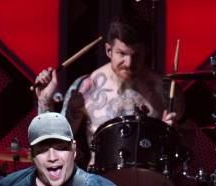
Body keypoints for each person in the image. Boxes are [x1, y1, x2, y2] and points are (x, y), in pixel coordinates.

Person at [34, 16, 184, 166]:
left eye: (136, 55)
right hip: (101, 184)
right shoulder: (87, 87)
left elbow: (184, 151)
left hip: (152, 183)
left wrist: (171, 135)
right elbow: (55, 143)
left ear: (146, 51)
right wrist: (45, 100)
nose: (129, 63)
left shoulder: (166, 90)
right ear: (108, 50)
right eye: (122, 54)